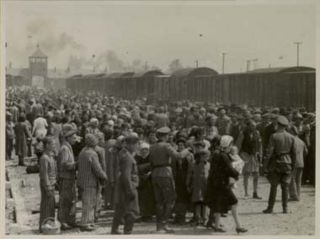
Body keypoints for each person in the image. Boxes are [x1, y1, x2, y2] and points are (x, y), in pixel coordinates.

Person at [149, 126, 189, 233]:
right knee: (170, 199)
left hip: (155, 174)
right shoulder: (166, 146)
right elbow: (179, 156)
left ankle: (159, 226)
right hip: (165, 173)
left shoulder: (152, 147)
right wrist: (187, 149)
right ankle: (164, 224)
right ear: (165, 136)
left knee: (159, 201)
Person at [206, 135, 247, 234]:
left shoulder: (216, 154)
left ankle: (216, 226)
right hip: (223, 184)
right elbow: (229, 170)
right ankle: (238, 226)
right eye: (231, 144)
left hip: (215, 184)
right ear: (228, 144)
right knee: (234, 202)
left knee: (218, 204)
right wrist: (237, 173)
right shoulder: (224, 156)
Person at [263, 116, 296, 214]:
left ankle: (270, 207)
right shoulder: (291, 137)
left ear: (278, 125)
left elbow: (269, 152)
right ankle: (285, 208)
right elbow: (294, 153)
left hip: (276, 163)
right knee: (285, 187)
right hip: (288, 163)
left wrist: (265, 165)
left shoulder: (274, 136)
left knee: (273, 186)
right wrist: (293, 165)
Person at [77, 134, 108, 231]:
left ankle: (88, 222)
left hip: (82, 180)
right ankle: (85, 223)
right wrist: (104, 176)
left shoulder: (82, 152)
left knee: (86, 202)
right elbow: (97, 169)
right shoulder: (92, 154)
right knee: (89, 203)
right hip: (90, 181)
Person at [111, 133, 140, 234]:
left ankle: (114, 230)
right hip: (128, 186)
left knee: (121, 208)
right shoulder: (127, 157)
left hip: (123, 186)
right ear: (131, 144)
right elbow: (126, 175)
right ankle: (128, 232)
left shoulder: (124, 153)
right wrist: (130, 190)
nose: (137, 146)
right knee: (132, 211)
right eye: (136, 144)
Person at [57, 124, 78, 230]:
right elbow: (64, 164)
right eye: (74, 138)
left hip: (69, 177)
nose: (75, 140)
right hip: (65, 177)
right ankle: (63, 221)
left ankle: (69, 220)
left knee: (71, 199)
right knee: (65, 200)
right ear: (68, 138)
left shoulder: (68, 147)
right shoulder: (65, 148)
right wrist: (76, 164)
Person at [237, 120, 263, 199]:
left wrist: (260, 155)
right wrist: (241, 156)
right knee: (246, 174)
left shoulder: (257, 133)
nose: (254, 127)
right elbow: (238, 145)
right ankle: (246, 193)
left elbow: (260, 145)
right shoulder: (243, 134)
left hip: (254, 156)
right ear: (248, 126)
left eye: (255, 126)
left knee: (256, 175)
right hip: (246, 155)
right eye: (252, 126)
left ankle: (255, 192)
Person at [187, 149, 210, 227]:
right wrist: (188, 184)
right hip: (196, 186)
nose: (206, 158)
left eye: (207, 156)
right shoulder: (193, 164)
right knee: (197, 202)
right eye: (205, 156)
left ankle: (205, 219)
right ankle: (198, 219)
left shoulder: (208, 164)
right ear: (200, 156)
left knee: (205, 203)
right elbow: (189, 175)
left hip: (205, 186)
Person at [173, 137, 193, 225]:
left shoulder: (189, 155)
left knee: (184, 198)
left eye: (182, 145)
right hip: (177, 178)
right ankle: (177, 216)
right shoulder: (175, 154)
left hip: (186, 178)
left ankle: (182, 217)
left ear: (185, 146)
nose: (180, 146)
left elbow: (190, 168)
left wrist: (189, 180)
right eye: (179, 145)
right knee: (177, 197)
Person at [39, 137, 57, 233]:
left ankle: (49, 225)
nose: (54, 146)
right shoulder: (44, 158)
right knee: (46, 205)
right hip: (47, 185)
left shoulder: (50, 156)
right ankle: (43, 226)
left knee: (51, 206)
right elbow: (44, 174)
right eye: (53, 144)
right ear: (47, 145)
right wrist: (48, 186)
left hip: (52, 183)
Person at [135, 142, 156, 222]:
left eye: (146, 149)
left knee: (149, 197)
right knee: (141, 198)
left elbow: (153, 167)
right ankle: (142, 214)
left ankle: (149, 215)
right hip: (141, 180)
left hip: (149, 180)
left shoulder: (151, 157)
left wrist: (149, 173)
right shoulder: (137, 158)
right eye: (142, 149)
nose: (144, 151)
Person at [289, 127, 308, 201]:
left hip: (293, 162)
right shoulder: (301, 141)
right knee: (298, 180)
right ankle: (298, 195)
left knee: (292, 179)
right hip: (301, 162)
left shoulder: (291, 140)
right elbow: (306, 152)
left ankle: (294, 196)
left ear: (293, 132)